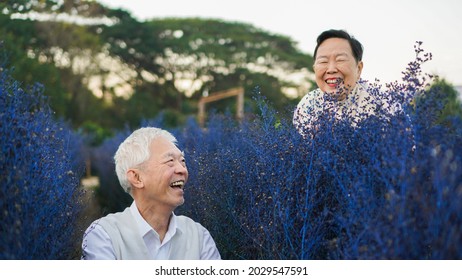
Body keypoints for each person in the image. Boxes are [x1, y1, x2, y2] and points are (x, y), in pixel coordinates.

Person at [81, 127, 221, 260]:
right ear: (137, 178)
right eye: (170, 161)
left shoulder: (199, 236)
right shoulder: (103, 236)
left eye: (183, 161)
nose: (182, 170)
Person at [293, 29, 380, 135]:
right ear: (314, 68)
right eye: (323, 61)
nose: (331, 69)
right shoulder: (308, 104)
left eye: (340, 60)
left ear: (358, 68)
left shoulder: (381, 103)